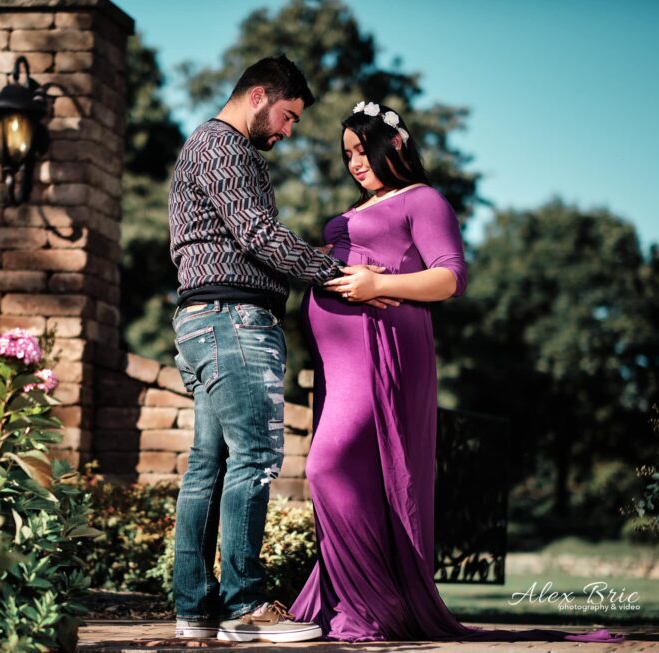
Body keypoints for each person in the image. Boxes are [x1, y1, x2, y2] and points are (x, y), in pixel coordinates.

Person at [289, 101, 623, 645]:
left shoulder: (423, 199)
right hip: (340, 359)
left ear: (396, 144)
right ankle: (357, 602)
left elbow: (450, 278)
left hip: (383, 350)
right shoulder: (358, 208)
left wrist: (378, 285)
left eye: (363, 150)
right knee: (356, 477)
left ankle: (370, 605)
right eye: (347, 154)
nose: (354, 163)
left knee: (327, 467)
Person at [167, 57, 388, 644]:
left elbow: (242, 237)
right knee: (256, 457)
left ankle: (195, 611)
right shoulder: (224, 147)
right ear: (258, 95)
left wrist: (313, 261)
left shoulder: (205, 146)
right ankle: (245, 607)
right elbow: (259, 235)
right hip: (234, 320)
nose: (288, 131)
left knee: (208, 466)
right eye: (288, 116)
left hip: (204, 320)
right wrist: (339, 274)